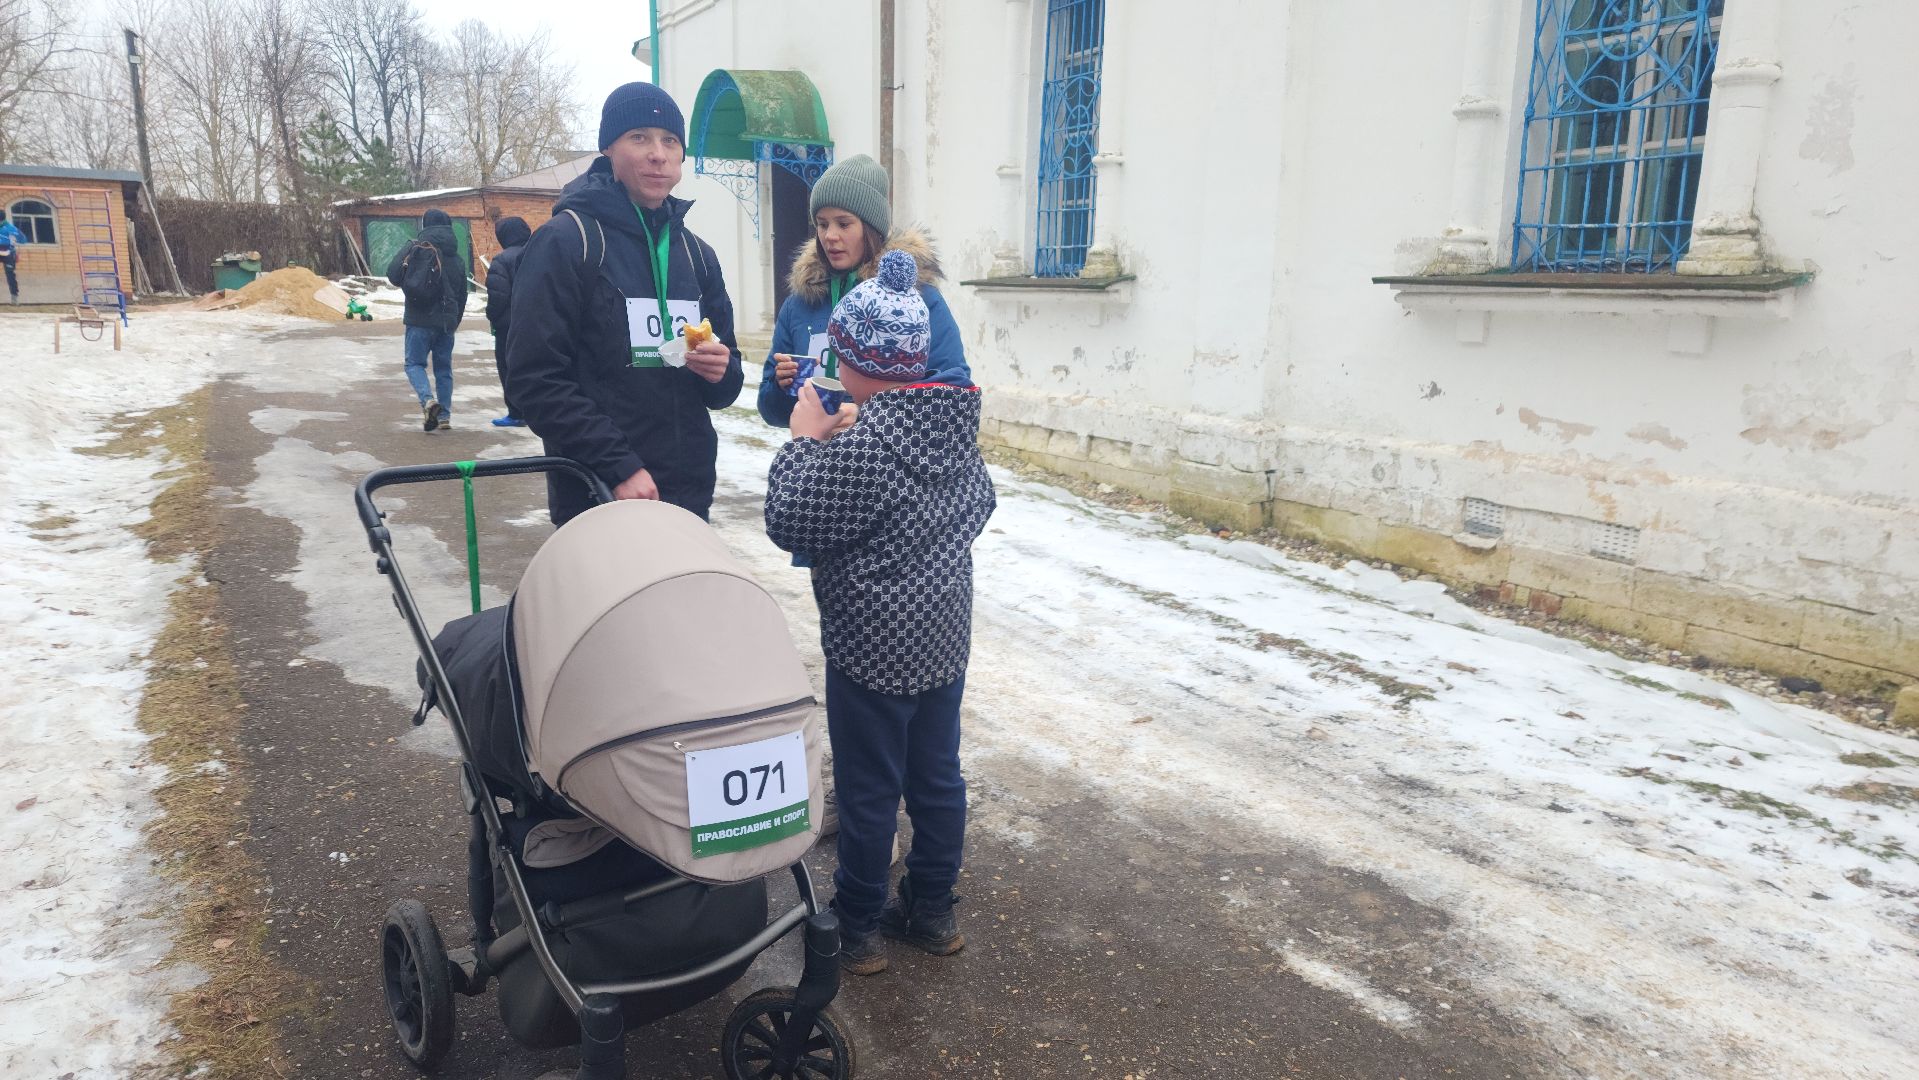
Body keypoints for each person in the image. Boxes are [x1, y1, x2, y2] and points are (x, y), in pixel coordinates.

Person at [763, 250, 996, 976]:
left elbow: (788, 518)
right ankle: (931, 910)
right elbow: (979, 502)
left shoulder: (864, 449)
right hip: (940, 640)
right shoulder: (949, 429)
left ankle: (858, 924)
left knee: (869, 791)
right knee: (936, 777)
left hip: (869, 650)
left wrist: (804, 440)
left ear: (855, 360)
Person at [505, 82, 743, 527]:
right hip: (598, 493)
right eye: (640, 137)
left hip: (686, 495)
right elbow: (534, 380)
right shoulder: (567, 241)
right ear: (608, 148)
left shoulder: (696, 254)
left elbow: (726, 385)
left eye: (670, 141)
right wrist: (619, 467)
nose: (658, 153)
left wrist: (720, 369)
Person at [756, 154, 969, 430]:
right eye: (822, 224)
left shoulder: (916, 300)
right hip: (817, 465)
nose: (830, 235)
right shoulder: (801, 303)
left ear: (871, 229)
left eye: (843, 224)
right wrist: (781, 386)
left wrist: (866, 418)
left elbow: (952, 392)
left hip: (887, 465)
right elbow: (770, 411)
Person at [386, 208, 468, 431]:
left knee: (414, 364)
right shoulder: (456, 257)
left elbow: (392, 274)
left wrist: (408, 250)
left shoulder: (417, 248)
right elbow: (463, 294)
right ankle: (444, 417)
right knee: (443, 369)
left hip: (418, 319)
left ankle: (428, 400)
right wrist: (454, 321)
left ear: (425, 225)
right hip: (446, 323)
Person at [482, 215, 532, 427]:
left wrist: (493, 317)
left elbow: (498, 296)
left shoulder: (502, 260)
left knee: (509, 368)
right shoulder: (540, 253)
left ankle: (516, 413)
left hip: (509, 326)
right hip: (540, 322)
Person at [0, 209, 26, 304]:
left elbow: (23, 240)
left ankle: (14, 297)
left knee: (10, 275)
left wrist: (17, 236)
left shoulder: (11, 228)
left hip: (8, 253)